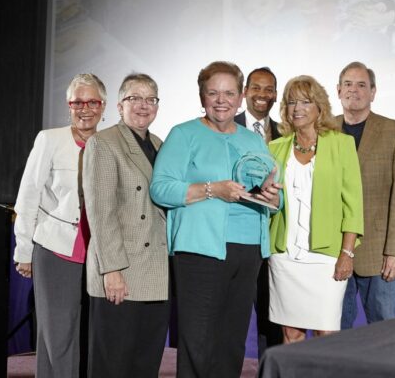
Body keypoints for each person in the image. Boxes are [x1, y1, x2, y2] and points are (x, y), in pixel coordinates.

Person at [150, 61, 280, 378]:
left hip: (248, 250)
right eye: (213, 93)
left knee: (232, 340)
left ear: (241, 98)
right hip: (200, 250)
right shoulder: (184, 134)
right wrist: (212, 190)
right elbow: (161, 189)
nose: (221, 100)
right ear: (202, 97)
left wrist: (273, 198)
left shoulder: (252, 140)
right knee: (198, 340)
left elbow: (269, 190)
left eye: (229, 93)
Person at [13, 73, 106, 378]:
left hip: (99, 255)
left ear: (103, 106)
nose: (85, 108)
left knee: (89, 337)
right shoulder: (49, 139)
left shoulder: (110, 144)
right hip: (55, 250)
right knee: (57, 338)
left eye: (92, 101)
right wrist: (24, 251)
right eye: (77, 101)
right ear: (68, 105)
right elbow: (28, 196)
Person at [83, 73, 169, 378]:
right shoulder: (104, 143)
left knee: (145, 365)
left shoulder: (160, 144)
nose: (143, 106)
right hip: (123, 274)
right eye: (135, 98)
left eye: (150, 99)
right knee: (112, 366)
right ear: (120, 105)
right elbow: (101, 213)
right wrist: (113, 271)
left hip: (156, 274)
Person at [268, 75, 364, 343]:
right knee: (291, 334)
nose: (297, 108)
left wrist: (347, 253)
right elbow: (269, 199)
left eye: (305, 101)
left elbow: (353, 205)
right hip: (285, 255)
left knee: (327, 334)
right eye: (291, 102)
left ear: (319, 106)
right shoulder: (275, 148)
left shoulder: (341, 144)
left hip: (326, 258)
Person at [336, 62, 395, 328]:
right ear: (338, 91)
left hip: (380, 255)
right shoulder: (323, 132)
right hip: (333, 253)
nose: (354, 90)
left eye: (362, 85)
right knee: (334, 331)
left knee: (384, 331)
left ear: (373, 92)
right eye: (348, 84)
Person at [234, 66, 283, 357]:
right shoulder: (226, 125)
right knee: (232, 319)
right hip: (236, 238)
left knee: (273, 321)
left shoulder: (285, 132)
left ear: (275, 95)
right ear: (245, 92)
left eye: (268, 89)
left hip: (273, 243)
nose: (262, 95)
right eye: (256, 88)